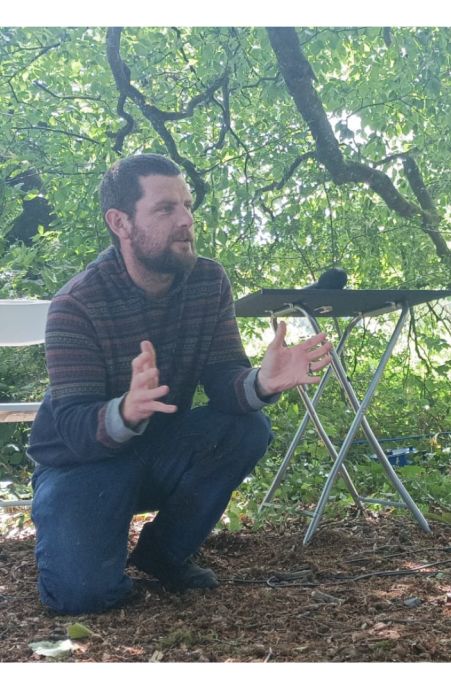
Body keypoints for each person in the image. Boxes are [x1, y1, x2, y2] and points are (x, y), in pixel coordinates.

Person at [26, 153, 332, 615]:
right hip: (81, 464)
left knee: (248, 427)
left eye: (187, 206)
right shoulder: (77, 303)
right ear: (120, 222)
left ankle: (163, 554)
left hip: (161, 450)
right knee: (82, 597)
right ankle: (93, 543)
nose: (186, 220)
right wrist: (125, 411)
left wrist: (261, 382)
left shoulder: (208, 281)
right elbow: (71, 425)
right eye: (165, 209)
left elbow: (224, 379)